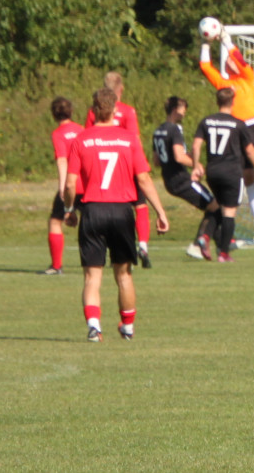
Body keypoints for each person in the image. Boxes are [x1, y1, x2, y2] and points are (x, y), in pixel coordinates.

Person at [63, 87, 170, 342]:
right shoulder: (128, 139)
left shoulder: (81, 140)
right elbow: (143, 179)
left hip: (92, 210)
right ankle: (128, 327)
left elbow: (69, 184)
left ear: (93, 111)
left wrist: (69, 209)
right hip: (122, 211)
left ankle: (94, 327)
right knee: (123, 274)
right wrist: (160, 211)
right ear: (114, 110)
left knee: (92, 276)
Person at [199, 28, 254, 240]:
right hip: (238, 131)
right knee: (248, 178)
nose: (231, 61)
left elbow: (240, 59)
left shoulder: (248, 77)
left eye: (232, 60)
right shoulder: (224, 84)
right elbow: (205, 67)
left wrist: (228, 41)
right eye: (228, 60)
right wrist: (205, 44)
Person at [85, 71, 152, 268]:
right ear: (121, 89)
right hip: (127, 163)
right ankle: (143, 245)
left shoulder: (93, 111)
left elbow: (88, 137)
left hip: (101, 165)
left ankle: (103, 249)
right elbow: (135, 140)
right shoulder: (129, 111)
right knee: (140, 205)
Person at [191, 87, 254, 262]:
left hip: (213, 171)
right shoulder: (239, 124)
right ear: (233, 102)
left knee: (217, 205)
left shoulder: (206, 121)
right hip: (232, 172)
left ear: (217, 101)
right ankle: (224, 253)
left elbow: (196, 145)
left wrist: (195, 165)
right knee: (229, 212)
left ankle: (205, 236)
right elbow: (250, 149)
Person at [152, 96, 220, 261]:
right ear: (176, 109)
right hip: (181, 179)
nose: (185, 112)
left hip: (168, 180)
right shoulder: (174, 129)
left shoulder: (159, 130)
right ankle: (198, 245)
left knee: (211, 207)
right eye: (183, 108)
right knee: (215, 206)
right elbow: (179, 157)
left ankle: (221, 241)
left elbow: (156, 161)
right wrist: (196, 164)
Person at [44, 97, 83, 275]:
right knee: (92, 221)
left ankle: (56, 266)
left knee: (55, 221)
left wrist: (62, 186)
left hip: (71, 184)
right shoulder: (82, 130)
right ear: (71, 112)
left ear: (53, 114)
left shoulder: (58, 134)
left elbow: (62, 160)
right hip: (88, 183)